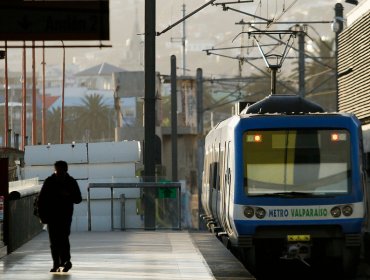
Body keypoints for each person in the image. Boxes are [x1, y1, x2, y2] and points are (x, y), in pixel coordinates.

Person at [37, 160, 82, 273]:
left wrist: (68, 195)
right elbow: (78, 199)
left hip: (56, 216)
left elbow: (41, 200)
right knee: (62, 239)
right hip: (62, 215)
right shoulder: (70, 181)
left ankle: (59, 263)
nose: (58, 172)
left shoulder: (50, 181)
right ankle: (63, 262)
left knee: (56, 240)